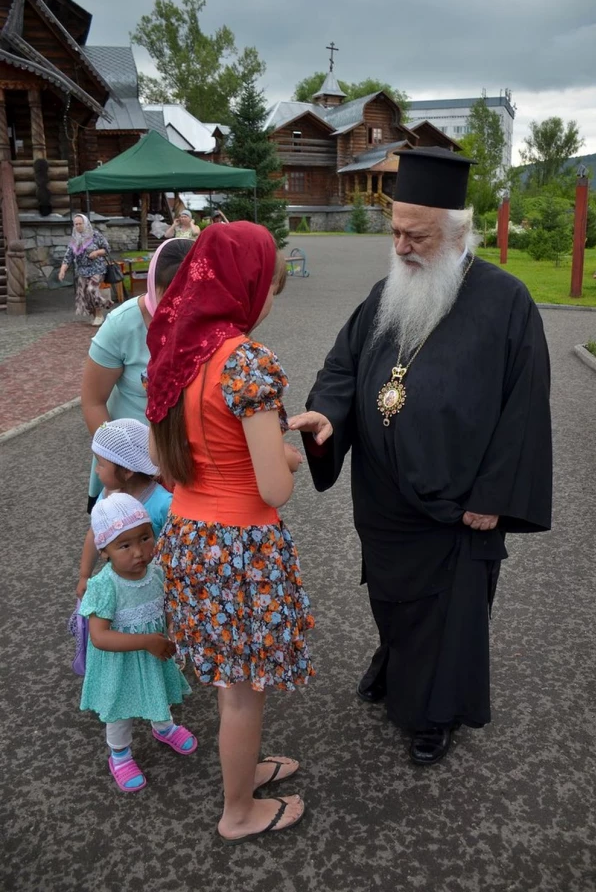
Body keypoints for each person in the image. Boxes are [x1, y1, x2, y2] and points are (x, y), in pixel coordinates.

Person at [289, 147, 552, 766]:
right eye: (396, 231)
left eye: (417, 235)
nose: (401, 246)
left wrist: (494, 497)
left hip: (457, 506)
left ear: (458, 231)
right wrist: (328, 413)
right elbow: (344, 366)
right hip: (384, 499)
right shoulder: (389, 291)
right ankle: (394, 662)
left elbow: (524, 410)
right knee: (391, 598)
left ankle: (435, 715)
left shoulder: (508, 303)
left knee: (448, 613)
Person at [147, 221, 314, 843]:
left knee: (226, 676)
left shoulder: (178, 351)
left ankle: (242, 772)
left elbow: (174, 464)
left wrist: (262, 444)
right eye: (270, 286)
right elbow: (273, 488)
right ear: (244, 285)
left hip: (190, 535)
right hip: (239, 544)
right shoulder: (246, 360)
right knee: (244, 690)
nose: (270, 300)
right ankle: (237, 811)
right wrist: (288, 456)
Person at [79, 493, 196, 793]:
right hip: (121, 661)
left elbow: (164, 607)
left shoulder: (156, 572)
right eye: (124, 545)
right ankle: (119, 755)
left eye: (145, 538)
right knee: (121, 710)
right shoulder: (105, 586)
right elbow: (100, 636)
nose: (139, 552)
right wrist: (145, 641)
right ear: (104, 549)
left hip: (153, 651)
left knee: (158, 688)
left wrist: (172, 630)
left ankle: (163, 726)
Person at [81, 237, 193, 510]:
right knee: (131, 546)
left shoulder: (206, 322)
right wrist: (128, 465)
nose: (178, 308)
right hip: (133, 467)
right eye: (170, 296)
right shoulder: (122, 325)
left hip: (191, 459)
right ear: (153, 285)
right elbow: (93, 401)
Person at [77, 418, 172, 598]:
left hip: (158, 587)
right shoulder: (107, 496)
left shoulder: (163, 503)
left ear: (127, 471)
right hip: (122, 588)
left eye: (102, 464)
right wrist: (84, 575)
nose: (97, 470)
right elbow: (94, 534)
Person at [58, 214, 111, 326]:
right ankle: (96, 315)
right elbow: (68, 257)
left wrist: (96, 253)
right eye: (76, 224)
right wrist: (62, 270)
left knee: (91, 289)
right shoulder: (74, 239)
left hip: (97, 269)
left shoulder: (95, 235)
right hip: (82, 271)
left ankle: (101, 312)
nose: (78, 226)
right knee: (86, 296)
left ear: (85, 223)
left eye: (80, 224)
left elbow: (107, 249)